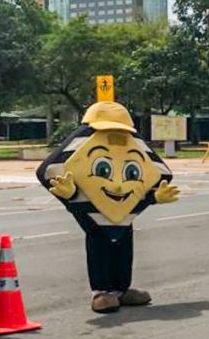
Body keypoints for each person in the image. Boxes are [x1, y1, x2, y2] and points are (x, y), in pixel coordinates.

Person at [36, 102, 179, 314]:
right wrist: (72, 195)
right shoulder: (85, 139)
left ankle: (121, 289)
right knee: (99, 241)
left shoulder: (132, 142)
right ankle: (101, 291)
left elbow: (158, 173)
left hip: (123, 208)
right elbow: (48, 170)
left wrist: (153, 197)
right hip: (92, 206)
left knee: (123, 242)